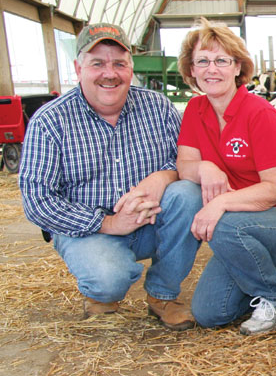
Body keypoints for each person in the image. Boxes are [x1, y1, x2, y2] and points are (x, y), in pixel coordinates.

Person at [18, 23, 202, 331]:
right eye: (98, 63)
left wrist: (164, 176)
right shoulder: (49, 122)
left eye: (119, 63)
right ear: (78, 68)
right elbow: (37, 201)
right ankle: (103, 294)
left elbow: (187, 158)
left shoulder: (158, 107)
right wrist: (108, 223)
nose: (110, 73)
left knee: (189, 194)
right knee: (108, 279)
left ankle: (162, 296)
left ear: (131, 67)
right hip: (89, 230)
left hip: (150, 222)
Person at [176, 18, 276, 335]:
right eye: (202, 61)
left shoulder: (259, 113)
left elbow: (274, 190)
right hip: (250, 225)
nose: (212, 69)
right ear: (191, 70)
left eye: (221, 60)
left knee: (224, 224)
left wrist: (220, 204)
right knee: (210, 313)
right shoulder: (195, 109)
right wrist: (205, 167)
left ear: (237, 67)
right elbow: (185, 165)